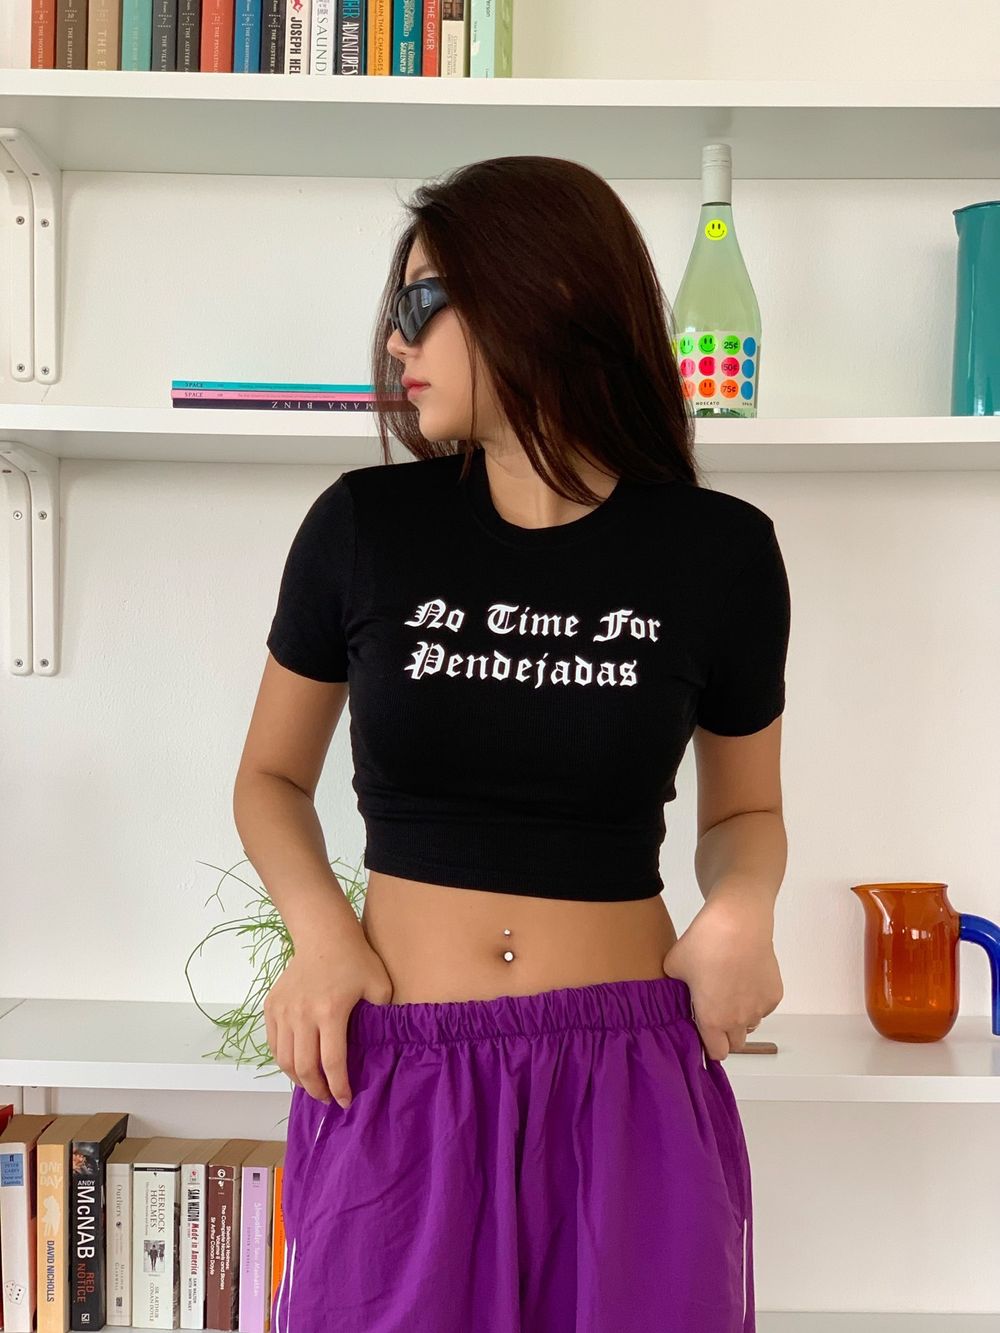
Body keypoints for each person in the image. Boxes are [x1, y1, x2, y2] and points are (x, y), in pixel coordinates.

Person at [233, 155, 791, 1333]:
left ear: (548, 289)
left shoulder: (720, 553)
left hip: (630, 1077)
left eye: (426, 299)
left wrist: (742, 909)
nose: (396, 339)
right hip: (397, 1074)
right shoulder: (362, 527)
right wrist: (321, 936)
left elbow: (744, 812)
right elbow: (271, 779)